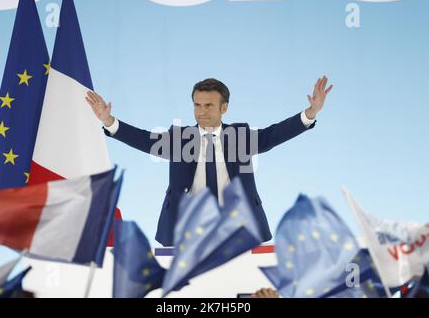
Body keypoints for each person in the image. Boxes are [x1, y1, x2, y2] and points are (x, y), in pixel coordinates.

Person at [86, 77, 332, 246]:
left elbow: (274, 134)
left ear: (224, 107)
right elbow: (144, 140)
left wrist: (310, 113)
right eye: (197, 105)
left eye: (209, 105)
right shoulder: (180, 139)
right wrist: (109, 121)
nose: (201, 111)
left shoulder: (240, 136)